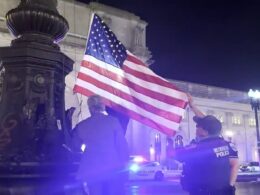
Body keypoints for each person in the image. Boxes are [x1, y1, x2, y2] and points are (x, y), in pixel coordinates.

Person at [175, 94, 240, 195]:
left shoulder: (197, 148)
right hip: (223, 191)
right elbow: (235, 165)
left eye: (198, 126)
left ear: (205, 131)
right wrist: (230, 186)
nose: (196, 128)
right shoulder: (228, 145)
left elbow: (178, 155)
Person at [74, 95, 129, 195]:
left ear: (90, 107)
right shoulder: (113, 122)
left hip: (91, 170)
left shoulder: (82, 125)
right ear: (102, 106)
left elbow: (75, 145)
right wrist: (124, 162)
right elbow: (122, 145)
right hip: (111, 168)